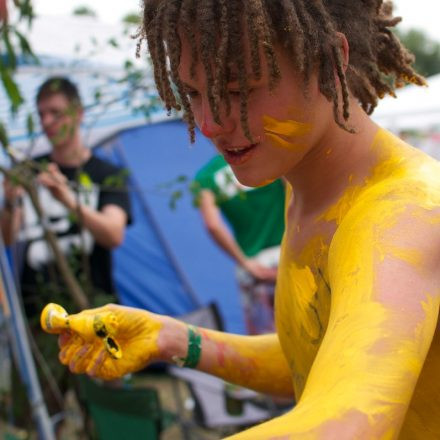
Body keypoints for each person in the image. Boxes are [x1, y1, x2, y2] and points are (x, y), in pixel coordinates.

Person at [41, 1, 440, 438]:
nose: (209, 123)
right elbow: (316, 361)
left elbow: (347, 425)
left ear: (330, 61)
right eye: (194, 93)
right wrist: (176, 339)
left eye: (237, 90)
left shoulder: (403, 216)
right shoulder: (306, 190)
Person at [1, 76, 132, 424]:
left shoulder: (107, 174)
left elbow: (113, 234)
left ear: (78, 114)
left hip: (95, 308)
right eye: (41, 114)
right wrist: (11, 202)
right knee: (39, 417)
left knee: (108, 416)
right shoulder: (29, 171)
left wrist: (69, 200)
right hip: (39, 315)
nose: (46, 122)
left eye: (55, 113)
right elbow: (9, 238)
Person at [194, 154, 285, 334]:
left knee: (266, 342)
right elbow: (295, 193)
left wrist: (244, 262)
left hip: (253, 266)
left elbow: (212, 225)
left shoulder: (205, 177)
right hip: (289, 252)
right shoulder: (270, 155)